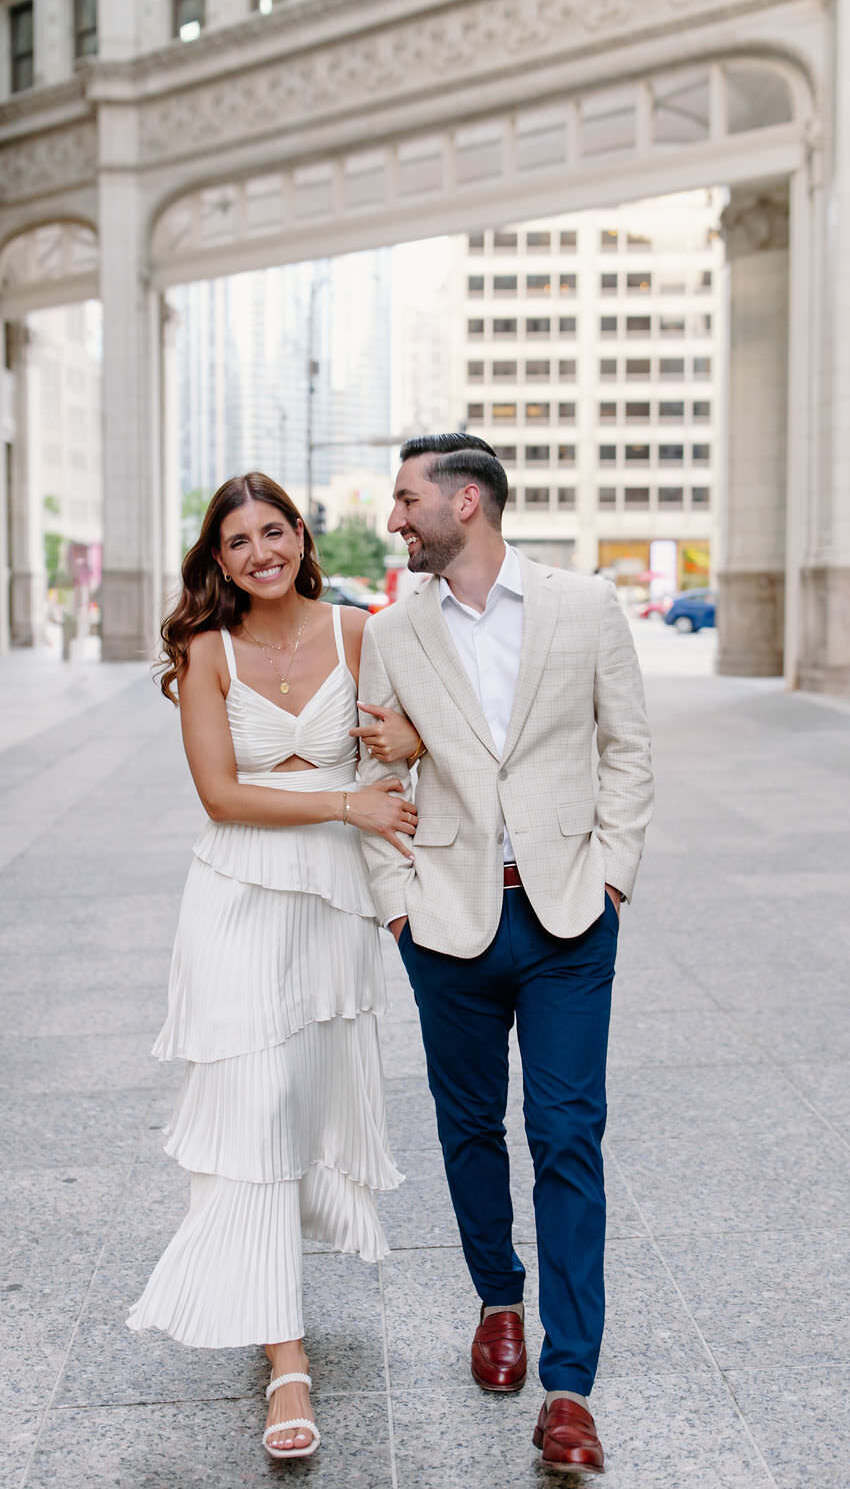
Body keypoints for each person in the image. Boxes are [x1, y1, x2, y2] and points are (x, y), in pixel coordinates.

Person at [357, 433, 653, 1476]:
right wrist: (398, 907)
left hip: (570, 917)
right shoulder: (392, 631)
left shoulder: (584, 607)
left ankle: (570, 1386)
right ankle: (498, 1301)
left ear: (465, 502)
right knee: (469, 1128)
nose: (395, 519)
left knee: (568, 1135)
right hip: (446, 922)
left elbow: (626, 747)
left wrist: (610, 877)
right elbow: (373, 776)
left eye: (405, 500)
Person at [129, 472, 422, 1461]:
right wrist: (346, 804)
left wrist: (404, 748)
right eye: (236, 541)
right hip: (236, 904)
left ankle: (268, 1298)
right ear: (217, 560)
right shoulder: (206, 651)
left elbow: (410, 741)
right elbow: (222, 794)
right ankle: (285, 1364)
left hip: (333, 909)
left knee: (297, 1109)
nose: (260, 551)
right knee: (254, 1113)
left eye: (274, 530)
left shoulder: (357, 633)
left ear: (302, 534)